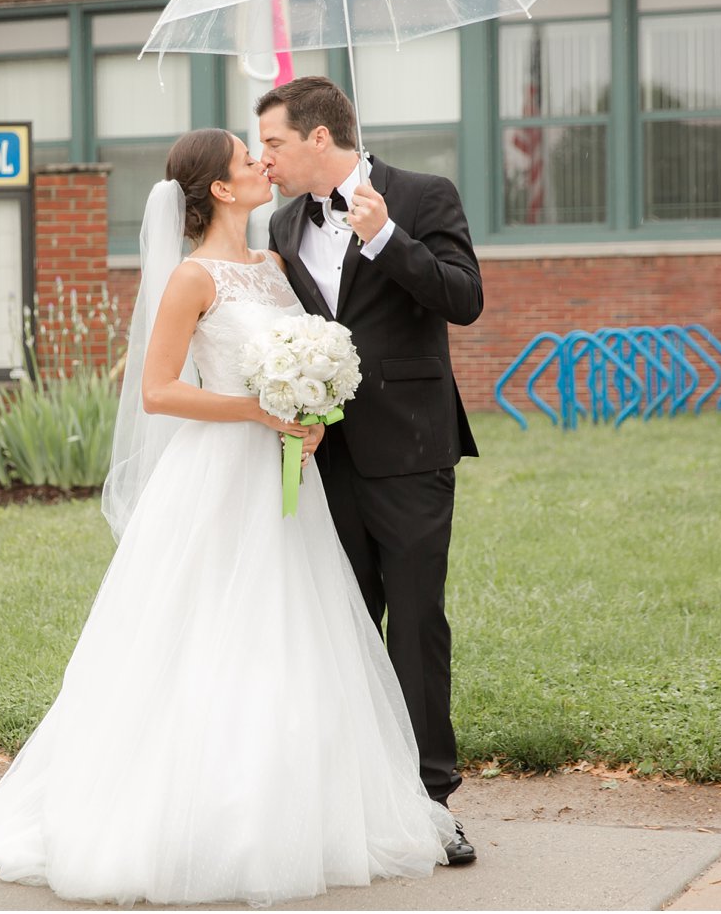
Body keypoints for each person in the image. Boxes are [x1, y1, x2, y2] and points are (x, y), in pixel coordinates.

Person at [0, 128, 455, 906]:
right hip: (217, 475)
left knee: (290, 630)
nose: (263, 166)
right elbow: (159, 391)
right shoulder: (190, 279)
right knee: (207, 630)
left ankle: (298, 804)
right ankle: (199, 814)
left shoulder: (276, 261)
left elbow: (308, 350)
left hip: (288, 474)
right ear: (219, 187)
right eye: (250, 160)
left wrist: (308, 407)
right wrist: (257, 407)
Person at [256, 76, 484, 864]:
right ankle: (354, 800)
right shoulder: (282, 223)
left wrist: (389, 239)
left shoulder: (423, 195)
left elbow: (464, 299)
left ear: (320, 138)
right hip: (324, 458)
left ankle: (431, 801)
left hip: (413, 449)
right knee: (341, 629)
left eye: (275, 143)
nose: (266, 160)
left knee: (415, 624)